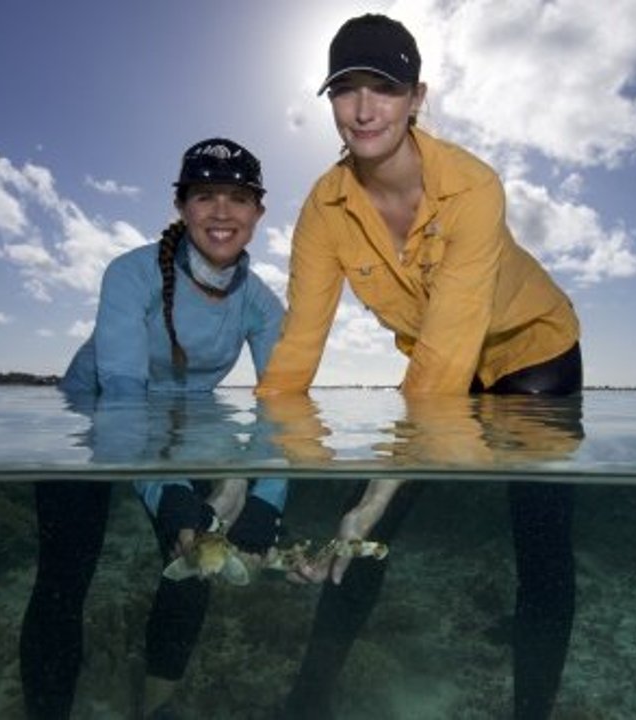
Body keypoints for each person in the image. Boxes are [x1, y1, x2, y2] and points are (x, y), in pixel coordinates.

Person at [255, 14, 584, 720]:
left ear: (417, 97)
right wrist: (241, 468)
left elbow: (439, 368)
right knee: (360, 536)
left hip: (535, 355)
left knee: (542, 548)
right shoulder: (323, 206)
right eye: (347, 91)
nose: (365, 109)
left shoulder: (474, 187)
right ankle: (304, 703)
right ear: (330, 101)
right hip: (445, 368)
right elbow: (294, 357)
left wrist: (372, 495)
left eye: (386, 88)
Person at [19, 137, 288, 719]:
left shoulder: (265, 306)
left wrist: (269, 496)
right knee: (65, 580)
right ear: (180, 205)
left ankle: (157, 707)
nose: (222, 212)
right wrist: (166, 494)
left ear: (259, 214)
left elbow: (281, 408)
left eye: (239, 198)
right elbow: (122, 401)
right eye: (204, 195)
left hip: (179, 422)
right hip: (90, 417)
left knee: (194, 564)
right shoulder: (130, 274)